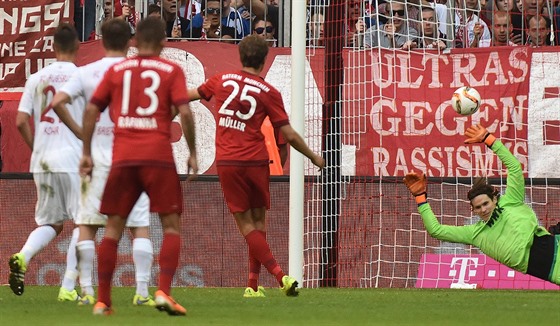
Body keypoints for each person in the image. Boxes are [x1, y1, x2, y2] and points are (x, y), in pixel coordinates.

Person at [188, 35, 325, 298]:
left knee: (246, 226)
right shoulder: (269, 92)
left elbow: (191, 95)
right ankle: (251, 285)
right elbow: (289, 136)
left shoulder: (221, 80)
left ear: (241, 56)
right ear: (264, 60)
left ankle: (279, 275)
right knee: (259, 222)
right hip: (257, 161)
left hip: (229, 162)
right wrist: (313, 156)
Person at [81, 16, 198, 316]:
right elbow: (185, 112)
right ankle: (163, 292)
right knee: (171, 226)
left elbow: (92, 110)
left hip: (123, 157)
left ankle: (103, 301)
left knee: (112, 228)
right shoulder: (172, 70)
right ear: (163, 42)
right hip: (158, 157)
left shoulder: (118, 70)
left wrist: (86, 152)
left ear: (134, 42)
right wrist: (193, 152)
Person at [50, 18, 155, 307]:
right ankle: (142, 292)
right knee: (139, 226)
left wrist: (82, 133)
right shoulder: (140, 71)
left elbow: (58, 101)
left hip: (97, 157)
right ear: (129, 41)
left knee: (87, 224)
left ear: (101, 40)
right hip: (134, 156)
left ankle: (86, 291)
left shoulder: (86, 72)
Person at [404, 124, 560, 286]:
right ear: (473, 210)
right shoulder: (475, 234)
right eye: (478, 207)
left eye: (485, 203)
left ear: (494, 199)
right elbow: (436, 230)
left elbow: (514, 168)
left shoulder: (511, 200)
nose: (483, 209)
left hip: (553, 246)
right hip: (547, 270)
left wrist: (488, 139)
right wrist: (420, 197)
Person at [10, 24, 82, 300]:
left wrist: (37, 148)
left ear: (53, 48)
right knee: (85, 223)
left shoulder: (36, 78)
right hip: (74, 159)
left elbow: (19, 121)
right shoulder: (81, 77)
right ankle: (67, 287)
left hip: (44, 161)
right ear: (76, 47)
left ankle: (23, 256)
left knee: (52, 223)